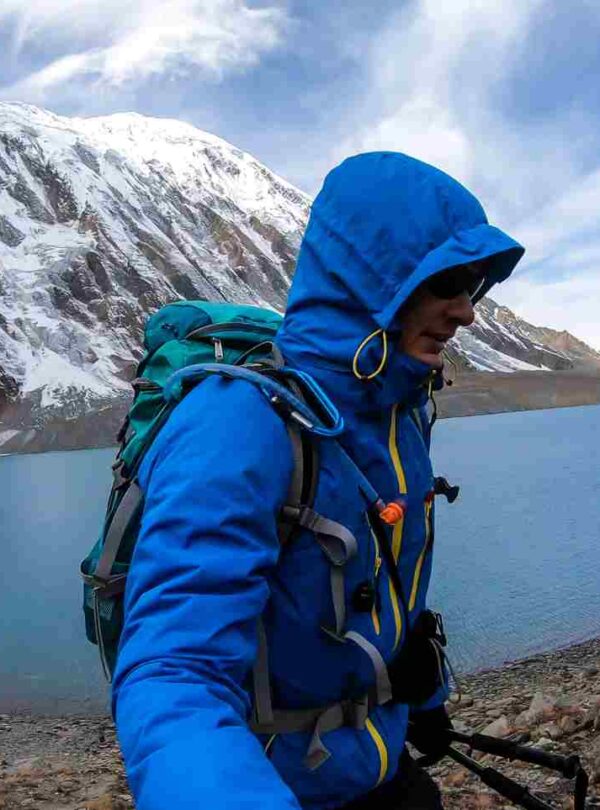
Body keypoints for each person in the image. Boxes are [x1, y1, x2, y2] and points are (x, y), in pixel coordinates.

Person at [112, 152, 524, 809]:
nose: (467, 311)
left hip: (380, 767)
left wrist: (423, 695)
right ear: (373, 277)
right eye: (449, 281)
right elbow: (174, 675)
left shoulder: (400, 410)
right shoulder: (238, 422)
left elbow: (385, 583)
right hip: (283, 786)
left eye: (475, 286)